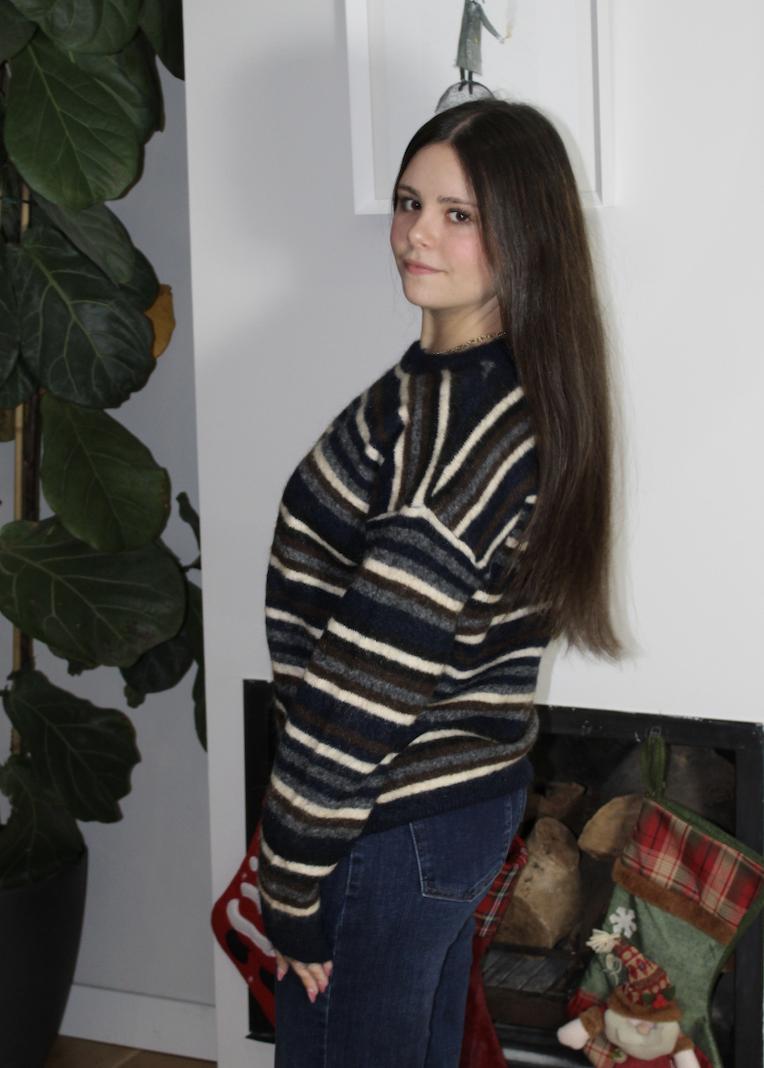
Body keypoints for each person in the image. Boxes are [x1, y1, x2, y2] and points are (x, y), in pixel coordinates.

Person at [257, 98, 621, 1067]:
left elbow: (366, 682)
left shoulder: (460, 424)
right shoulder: (475, 384)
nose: (417, 233)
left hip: (383, 813)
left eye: (459, 215)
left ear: (524, 236)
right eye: (409, 202)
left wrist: (290, 868)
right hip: (444, 805)